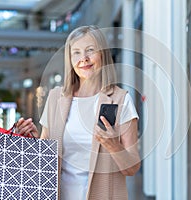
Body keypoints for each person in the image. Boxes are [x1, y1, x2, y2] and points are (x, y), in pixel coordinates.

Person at [16, 25, 141, 200]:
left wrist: (114, 145)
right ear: (70, 58)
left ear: (103, 54)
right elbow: (43, 162)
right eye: (76, 52)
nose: (84, 58)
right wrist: (31, 141)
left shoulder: (120, 100)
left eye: (90, 50)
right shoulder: (55, 98)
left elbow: (132, 168)